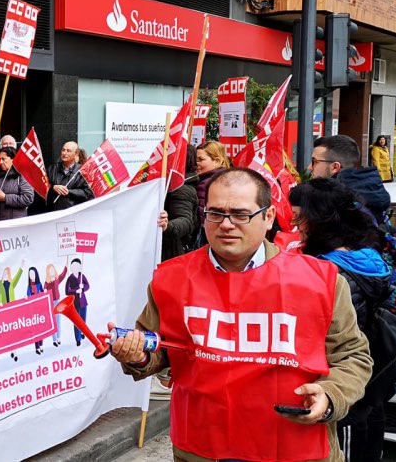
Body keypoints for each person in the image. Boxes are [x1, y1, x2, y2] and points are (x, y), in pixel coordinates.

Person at [110, 168, 372, 462]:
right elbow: (158, 347)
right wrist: (138, 356)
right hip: (202, 447)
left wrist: (331, 395)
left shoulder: (319, 281)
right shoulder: (170, 279)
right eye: (216, 213)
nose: (227, 225)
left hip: (294, 446)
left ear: (269, 216)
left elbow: (353, 356)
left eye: (240, 214)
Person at [290, 178, 393, 462]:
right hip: (373, 372)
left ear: (317, 218)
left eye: (299, 218)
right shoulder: (364, 250)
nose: (296, 226)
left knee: (348, 443)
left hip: (343, 381)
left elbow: (335, 339)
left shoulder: (331, 271)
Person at [311, 135, 391, 223]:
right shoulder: (371, 195)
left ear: (335, 167)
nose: (309, 167)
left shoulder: (335, 205)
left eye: (314, 162)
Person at [158, 145, 198, 261]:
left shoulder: (181, 188)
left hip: (170, 252)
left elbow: (186, 221)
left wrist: (167, 225)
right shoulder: (170, 184)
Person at [192, 141, 232, 247]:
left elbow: (201, 218)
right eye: (195, 160)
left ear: (217, 161)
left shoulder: (208, 184)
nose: (196, 164)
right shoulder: (227, 179)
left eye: (201, 160)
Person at [0, 147, 35, 221]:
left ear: (13, 159)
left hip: (15, 222)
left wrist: (6, 198)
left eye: (3, 159)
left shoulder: (22, 175)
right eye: (0, 159)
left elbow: (28, 198)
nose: (0, 162)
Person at [47, 141, 93, 211]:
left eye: (68, 151)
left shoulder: (83, 171)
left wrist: (69, 192)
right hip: (53, 212)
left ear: (76, 154)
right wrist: (53, 187)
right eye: (63, 150)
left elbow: (88, 193)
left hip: (73, 213)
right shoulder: (52, 168)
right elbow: (42, 186)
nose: (64, 153)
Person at [65, 258, 90, 346]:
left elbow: (88, 286)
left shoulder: (82, 276)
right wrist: (76, 291)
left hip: (83, 302)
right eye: (73, 266)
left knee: (83, 320)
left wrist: (83, 287)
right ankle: (78, 339)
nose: (75, 267)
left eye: (77, 266)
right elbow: (67, 291)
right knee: (76, 322)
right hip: (75, 303)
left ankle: (83, 333)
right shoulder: (70, 278)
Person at [43, 262, 68, 347]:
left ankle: (58, 338)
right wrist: (45, 291)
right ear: (48, 272)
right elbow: (44, 290)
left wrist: (66, 267)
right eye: (50, 271)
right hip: (50, 303)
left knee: (58, 320)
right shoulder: (46, 282)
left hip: (57, 301)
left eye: (53, 270)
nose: (52, 271)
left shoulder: (57, 279)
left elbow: (63, 275)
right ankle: (54, 339)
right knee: (53, 321)